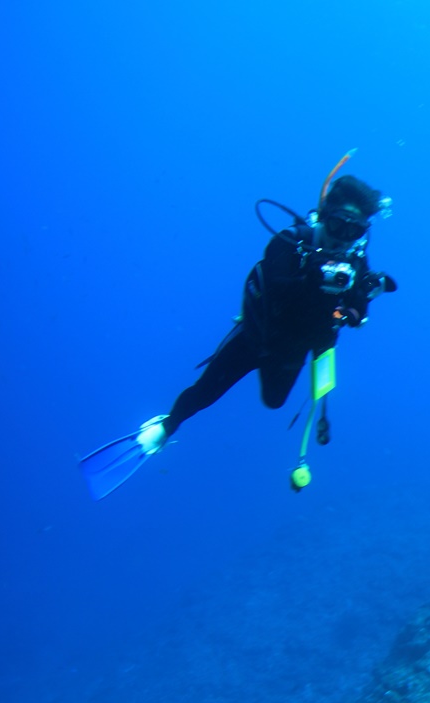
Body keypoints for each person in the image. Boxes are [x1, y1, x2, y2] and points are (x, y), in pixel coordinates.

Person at [79, 170, 396, 499]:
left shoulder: (357, 264)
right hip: (255, 337)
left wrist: (356, 306)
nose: (342, 237)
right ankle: (162, 429)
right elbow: (275, 285)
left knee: (274, 402)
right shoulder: (289, 242)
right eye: (339, 224)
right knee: (203, 393)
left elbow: (358, 315)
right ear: (326, 216)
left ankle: (173, 422)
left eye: (354, 229)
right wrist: (314, 279)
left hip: (293, 352)